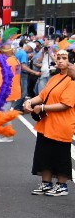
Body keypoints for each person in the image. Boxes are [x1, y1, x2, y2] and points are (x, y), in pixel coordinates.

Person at [26, 47, 75, 197]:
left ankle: (62, 185)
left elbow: (65, 104)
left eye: (64, 58)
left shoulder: (72, 81)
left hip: (62, 124)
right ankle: (46, 183)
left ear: (71, 62)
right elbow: (42, 95)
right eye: (58, 58)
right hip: (47, 123)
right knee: (43, 155)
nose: (60, 61)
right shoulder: (55, 78)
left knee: (60, 156)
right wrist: (29, 103)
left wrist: (41, 107)